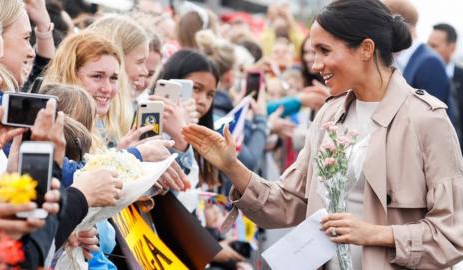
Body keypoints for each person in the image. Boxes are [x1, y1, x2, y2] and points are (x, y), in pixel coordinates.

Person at [182, 0, 463, 269]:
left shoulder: (427, 120)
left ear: (366, 48)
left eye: (324, 51)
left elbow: (452, 235)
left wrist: (377, 234)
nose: (315, 64)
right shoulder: (329, 114)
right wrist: (232, 166)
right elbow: (289, 203)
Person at [428, 23, 463, 149]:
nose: (428, 50)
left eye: (434, 46)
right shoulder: (425, 76)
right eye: (428, 45)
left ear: (452, 48)